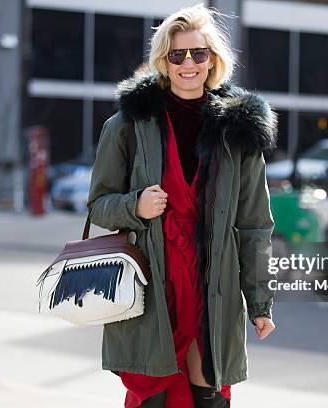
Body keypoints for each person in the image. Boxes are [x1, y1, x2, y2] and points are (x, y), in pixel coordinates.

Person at [87, 5, 277, 407]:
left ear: (213, 60)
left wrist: (259, 303)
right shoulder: (126, 125)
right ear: (164, 61)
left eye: (198, 54)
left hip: (213, 288)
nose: (188, 64)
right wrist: (134, 206)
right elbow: (98, 206)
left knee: (208, 392)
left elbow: (256, 225)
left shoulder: (239, 130)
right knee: (154, 393)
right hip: (153, 286)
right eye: (178, 55)